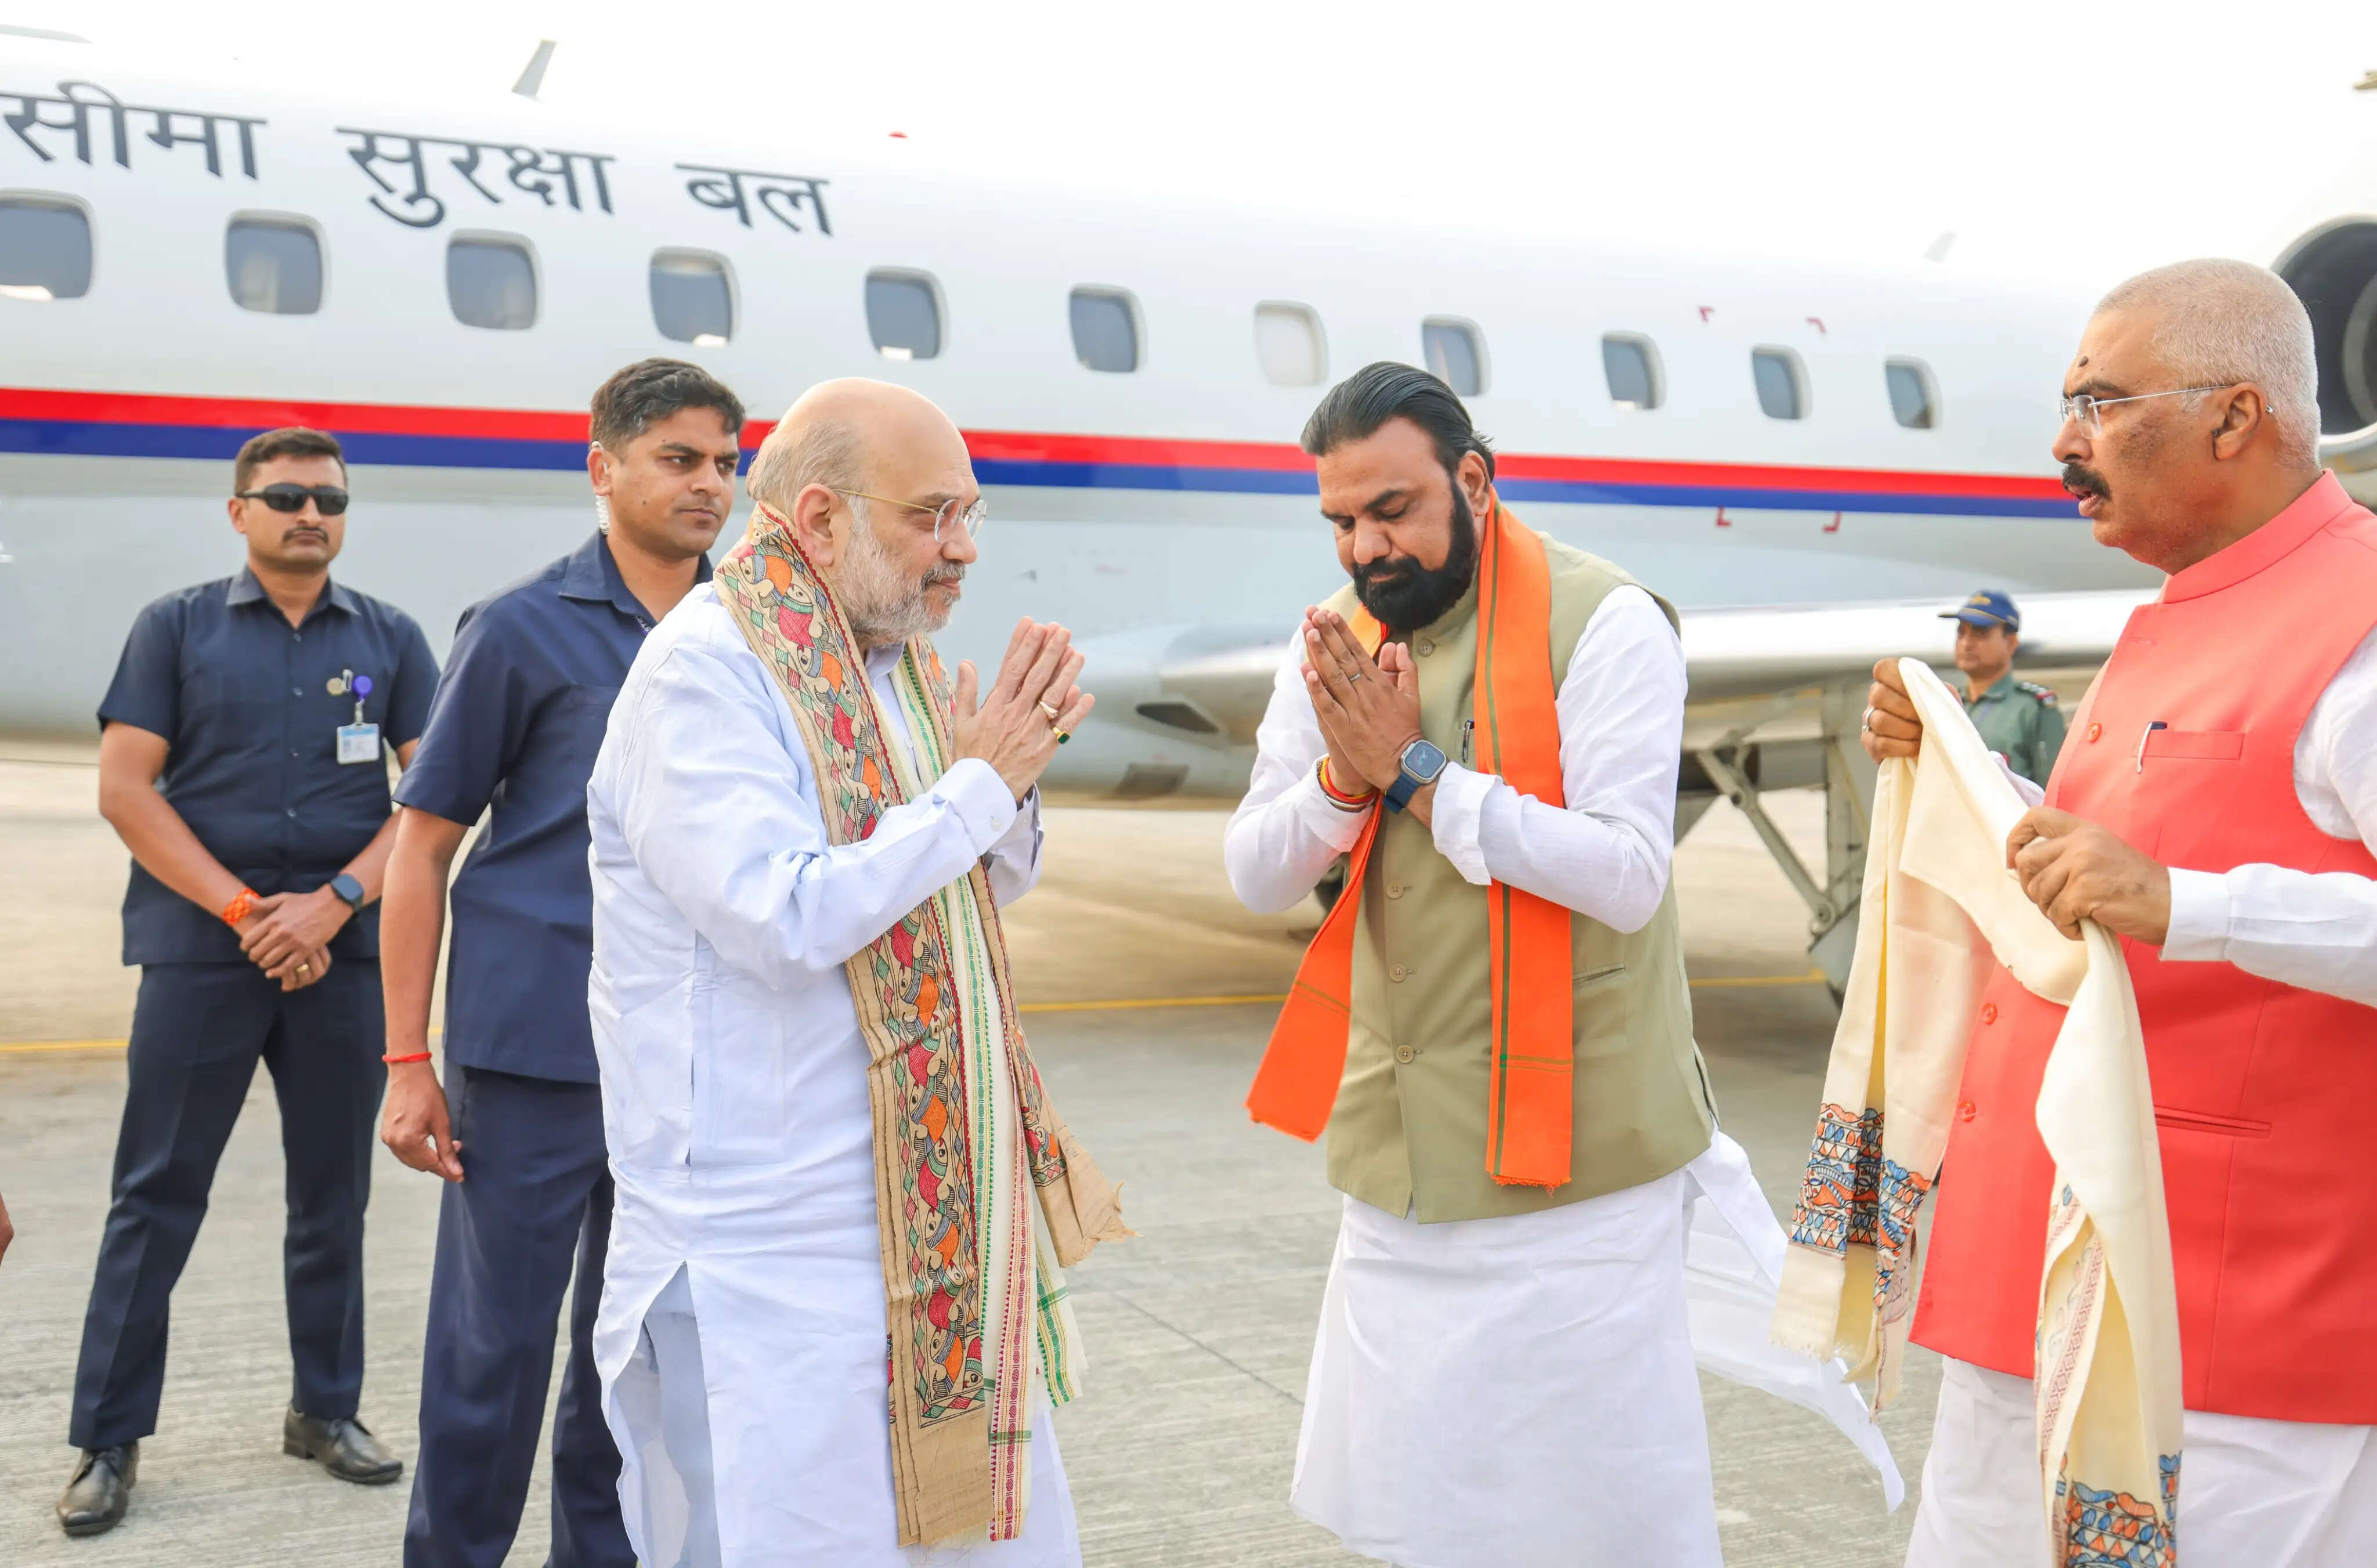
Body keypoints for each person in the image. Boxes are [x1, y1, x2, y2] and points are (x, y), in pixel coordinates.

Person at [1862, 259, 2377, 1566]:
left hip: (2236, 1328)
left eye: (2097, 402)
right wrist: (1968, 781)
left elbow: (2165, 885)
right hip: (2032, 1283)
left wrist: (2183, 905)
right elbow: (2130, 854)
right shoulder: (2175, 613)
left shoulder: (2357, 622)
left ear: (2232, 417)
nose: (2061, 443)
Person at [584, 378, 1127, 1565]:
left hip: (932, 1214)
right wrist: (975, 789)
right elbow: (781, 913)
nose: (963, 550)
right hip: (773, 1248)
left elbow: (958, 891)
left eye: (970, 514)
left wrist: (1003, 788)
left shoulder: (895, 669)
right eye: (932, 515)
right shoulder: (706, 673)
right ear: (819, 519)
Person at [1224, 363, 1727, 1567]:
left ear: (1474, 478)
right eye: (1340, 520)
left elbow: (1624, 873)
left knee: (1591, 1517)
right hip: (1400, 1169)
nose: (1363, 547)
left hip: (1578, 1180)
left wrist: (1419, 775)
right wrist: (1343, 780)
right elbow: (1252, 870)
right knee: (1421, 1510)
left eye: (1390, 509)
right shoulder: (1337, 645)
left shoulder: (1604, 622)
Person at [377, 360, 746, 1568]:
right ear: (604, 468)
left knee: (632, 1360)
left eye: (724, 461)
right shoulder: (522, 627)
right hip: (531, 1052)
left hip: (682, 1063)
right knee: (491, 1361)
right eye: (678, 458)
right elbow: (422, 850)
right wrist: (406, 1060)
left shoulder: (749, 634)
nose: (709, 483)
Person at [62, 427, 437, 1537]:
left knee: (333, 1198)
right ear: (239, 512)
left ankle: (325, 1409)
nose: (309, 513)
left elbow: (426, 804)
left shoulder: (392, 638)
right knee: (156, 1194)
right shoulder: (173, 628)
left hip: (340, 956)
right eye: (285, 496)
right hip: (200, 956)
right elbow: (127, 790)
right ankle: (108, 1437)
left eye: (329, 498)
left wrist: (333, 903)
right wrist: (245, 911)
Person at [1938, 588, 2065, 785]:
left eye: (1980, 633)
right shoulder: (1946, 704)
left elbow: (2053, 789)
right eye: (1961, 633)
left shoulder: (2032, 708)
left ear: (2011, 643)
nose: (1966, 643)